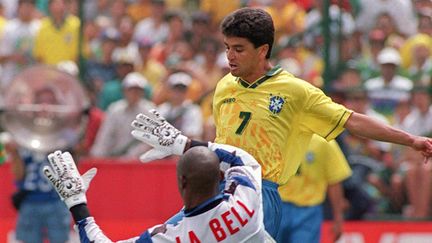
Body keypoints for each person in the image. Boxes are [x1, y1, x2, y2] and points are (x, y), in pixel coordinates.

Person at [43, 140, 271, 242]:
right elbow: (243, 159)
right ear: (221, 177)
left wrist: (76, 202)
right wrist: (185, 143)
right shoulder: (247, 202)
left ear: (181, 182)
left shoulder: (171, 237)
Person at [277, 135, 352, 243]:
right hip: (287, 206)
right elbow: (334, 181)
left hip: (305, 209)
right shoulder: (326, 142)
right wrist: (338, 217)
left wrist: (338, 218)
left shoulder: (282, 135)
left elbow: (334, 181)